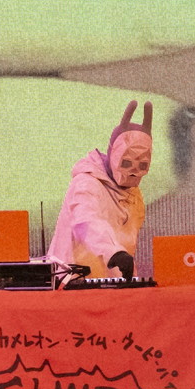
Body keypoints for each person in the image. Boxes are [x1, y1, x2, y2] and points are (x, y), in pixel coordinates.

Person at [48, 99, 152, 284]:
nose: (134, 172)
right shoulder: (86, 184)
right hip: (72, 283)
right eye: (127, 163)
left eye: (142, 166)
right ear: (114, 154)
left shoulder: (134, 193)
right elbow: (87, 222)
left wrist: (128, 276)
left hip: (110, 285)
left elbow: (127, 245)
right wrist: (115, 252)